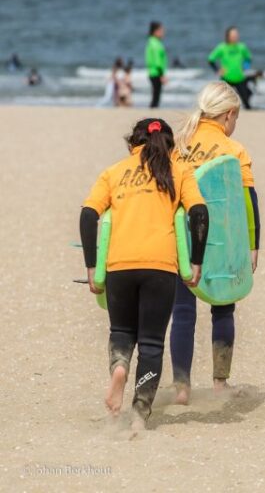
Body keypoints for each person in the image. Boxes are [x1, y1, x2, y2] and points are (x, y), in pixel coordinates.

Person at [79, 119, 208, 430]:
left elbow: (88, 214)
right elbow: (199, 213)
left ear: (132, 144)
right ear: (169, 146)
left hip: (119, 266)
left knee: (122, 332)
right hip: (160, 267)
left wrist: (92, 266)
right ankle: (139, 411)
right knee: (151, 342)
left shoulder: (113, 172)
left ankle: (120, 366)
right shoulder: (179, 171)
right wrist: (196, 261)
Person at [170, 82, 261, 404]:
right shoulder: (234, 149)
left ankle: (181, 387)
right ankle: (220, 384)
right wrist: (252, 245)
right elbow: (248, 202)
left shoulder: (178, 145)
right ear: (229, 114)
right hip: (221, 240)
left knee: (182, 310)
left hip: (182, 236)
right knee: (223, 306)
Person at [208, 27, 255, 110]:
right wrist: (217, 70)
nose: (235, 36)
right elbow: (211, 60)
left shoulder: (241, 47)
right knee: (222, 104)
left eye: (236, 34)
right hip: (226, 78)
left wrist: (245, 67)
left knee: (247, 103)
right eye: (233, 35)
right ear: (228, 36)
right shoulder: (222, 47)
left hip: (239, 78)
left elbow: (248, 58)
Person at [145, 21, 167, 108]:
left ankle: (152, 115)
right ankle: (152, 117)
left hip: (153, 72)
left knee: (155, 97)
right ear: (155, 31)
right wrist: (162, 75)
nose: (163, 33)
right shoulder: (155, 44)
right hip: (156, 73)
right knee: (156, 98)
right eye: (161, 31)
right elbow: (158, 62)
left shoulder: (151, 42)